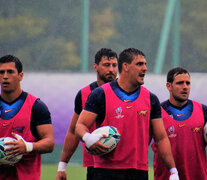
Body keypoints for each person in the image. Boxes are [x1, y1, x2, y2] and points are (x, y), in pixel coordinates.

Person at [75, 48, 179, 180]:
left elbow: (161, 138)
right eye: (139, 64)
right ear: (125, 66)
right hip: (104, 171)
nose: (145, 68)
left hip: (138, 172)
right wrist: (88, 138)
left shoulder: (151, 99)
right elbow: (80, 126)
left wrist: (173, 170)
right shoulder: (100, 94)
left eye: (145, 64)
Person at [56, 48, 118, 180]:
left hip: (124, 165)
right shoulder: (84, 93)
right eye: (106, 65)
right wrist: (62, 167)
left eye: (114, 65)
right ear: (95, 67)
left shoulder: (127, 92)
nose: (111, 70)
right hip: (95, 166)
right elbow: (73, 131)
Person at [0, 55, 55, 180]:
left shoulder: (36, 106)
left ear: (20, 76)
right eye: (1, 72)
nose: (5, 76)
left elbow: (49, 143)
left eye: (10, 72)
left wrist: (27, 147)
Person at [152, 67, 207, 180]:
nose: (185, 87)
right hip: (166, 177)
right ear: (169, 86)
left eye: (187, 83)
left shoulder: (203, 111)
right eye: (180, 83)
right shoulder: (156, 113)